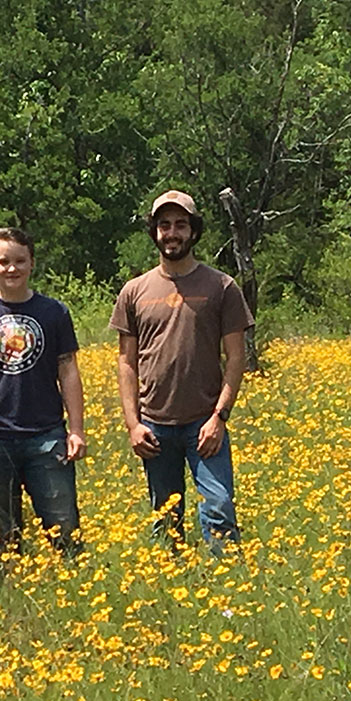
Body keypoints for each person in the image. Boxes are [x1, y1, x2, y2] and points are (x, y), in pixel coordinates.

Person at [109, 190, 254, 554]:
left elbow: (236, 357)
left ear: (193, 232)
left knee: (219, 509)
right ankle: (170, 585)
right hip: (155, 425)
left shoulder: (222, 287)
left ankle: (227, 584)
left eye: (180, 225)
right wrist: (133, 424)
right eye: (164, 225)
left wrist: (220, 417)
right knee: (165, 517)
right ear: (155, 232)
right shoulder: (134, 291)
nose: (172, 233)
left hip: (205, 424)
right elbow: (126, 362)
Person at [0, 228, 86, 558]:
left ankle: (71, 589)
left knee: (64, 529)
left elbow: (68, 372)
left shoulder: (54, 313)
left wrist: (76, 430)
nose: (12, 269)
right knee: (0, 536)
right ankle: (4, 601)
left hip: (45, 436)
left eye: (20, 261)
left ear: (31, 264)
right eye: (4, 261)